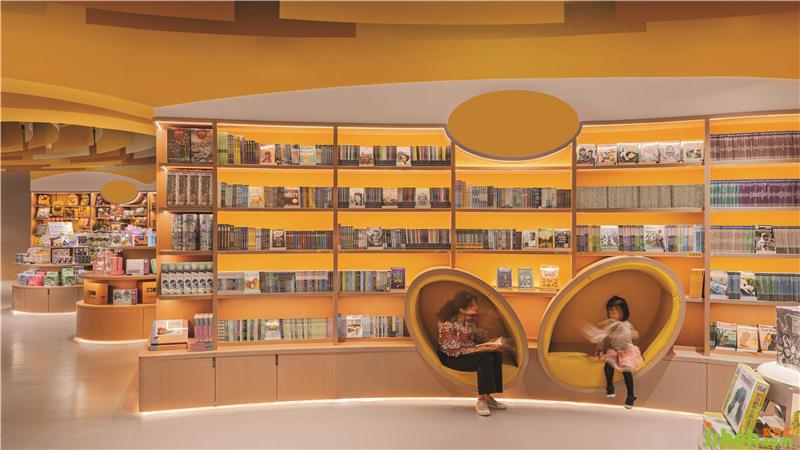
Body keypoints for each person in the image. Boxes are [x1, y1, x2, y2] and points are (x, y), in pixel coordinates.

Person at [437, 291, 505, 416]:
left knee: (496, 355)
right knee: (485, 359)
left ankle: (488, 396)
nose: (476, 307)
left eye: (475, 304)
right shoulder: (447, 324)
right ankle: (481, 400)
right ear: (462, 309)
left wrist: (489, 343)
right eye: (472, 306)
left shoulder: (470, 320)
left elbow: (475, 338)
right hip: (452, 357)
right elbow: (452, 349)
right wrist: (478, 350)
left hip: (468, 351)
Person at [582, 296, 643, 409]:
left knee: (626, 370)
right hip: (615, 351)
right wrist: (599, 348)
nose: (612, 314)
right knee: (608, 365)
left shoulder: (625, 324)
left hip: (626, 351)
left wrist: (630, 333)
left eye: (615, 311)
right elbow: (605, 338)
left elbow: (631, 335)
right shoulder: (610, 326)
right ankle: (610, 387)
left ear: (623, 312)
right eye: (610, 312)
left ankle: (630, 395)